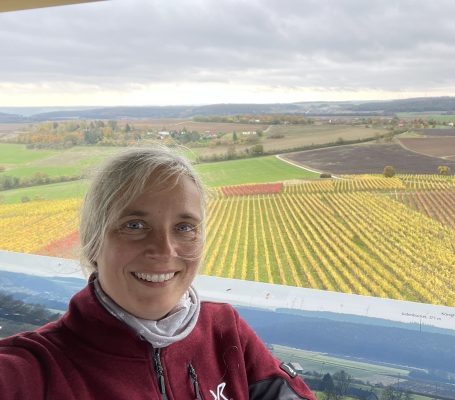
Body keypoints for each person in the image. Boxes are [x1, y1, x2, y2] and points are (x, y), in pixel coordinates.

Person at [0, 146, 316, 400]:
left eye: (184, 227)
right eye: (135, 226)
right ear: (94, 242)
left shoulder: (225, 332)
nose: (164, 250)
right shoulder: (36, 368)